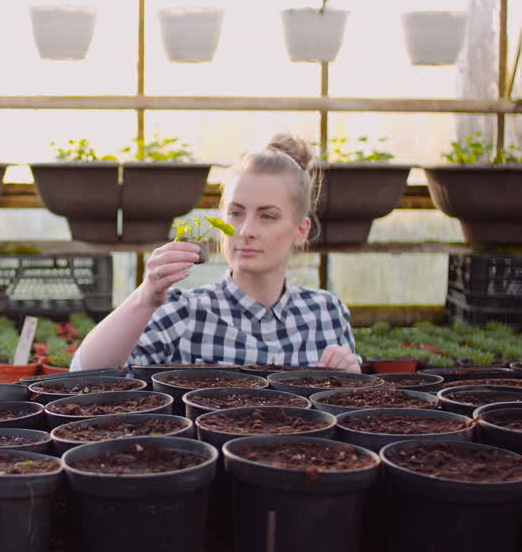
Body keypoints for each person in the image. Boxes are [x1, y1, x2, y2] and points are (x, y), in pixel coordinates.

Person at [71, 132, 361, 372]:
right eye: (235, 213)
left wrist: (349, 377)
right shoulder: (185, 312)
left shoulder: (325, 312)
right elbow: (84, 374)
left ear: (301, 230)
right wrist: (145, 296)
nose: (245, 230)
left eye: (267, 216)